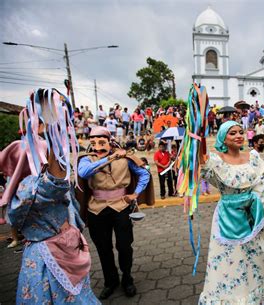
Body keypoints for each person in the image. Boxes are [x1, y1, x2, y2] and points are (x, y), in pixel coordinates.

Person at [3, 88, 100, 304]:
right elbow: (54, 181)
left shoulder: (18, 190)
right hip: (50, 259)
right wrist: (53, 123)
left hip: (50, 252)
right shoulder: (31, 188)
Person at [198, 121, 264, 304]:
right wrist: (197, 134)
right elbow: (200, 162)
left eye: (241, 131)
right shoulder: (216, 160)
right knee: (227, 258)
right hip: (227, 217)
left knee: (252, 257)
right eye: (232, 133)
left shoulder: (253, 157)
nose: (239, 135)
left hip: (252, 215)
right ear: (223, 138)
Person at [76, 126, 153, 300]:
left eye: (101, 141)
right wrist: (109, 158)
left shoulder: (125, 158)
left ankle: (127, 278)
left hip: (121, 207)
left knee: (125, 246)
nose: (97, 146)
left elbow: (144, 174)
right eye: (93, 142)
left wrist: (135, 194)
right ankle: (110, 282)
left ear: (109, 141)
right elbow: (83, 172)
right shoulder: (86, 159)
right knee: (103, 248)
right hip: (96, 209)